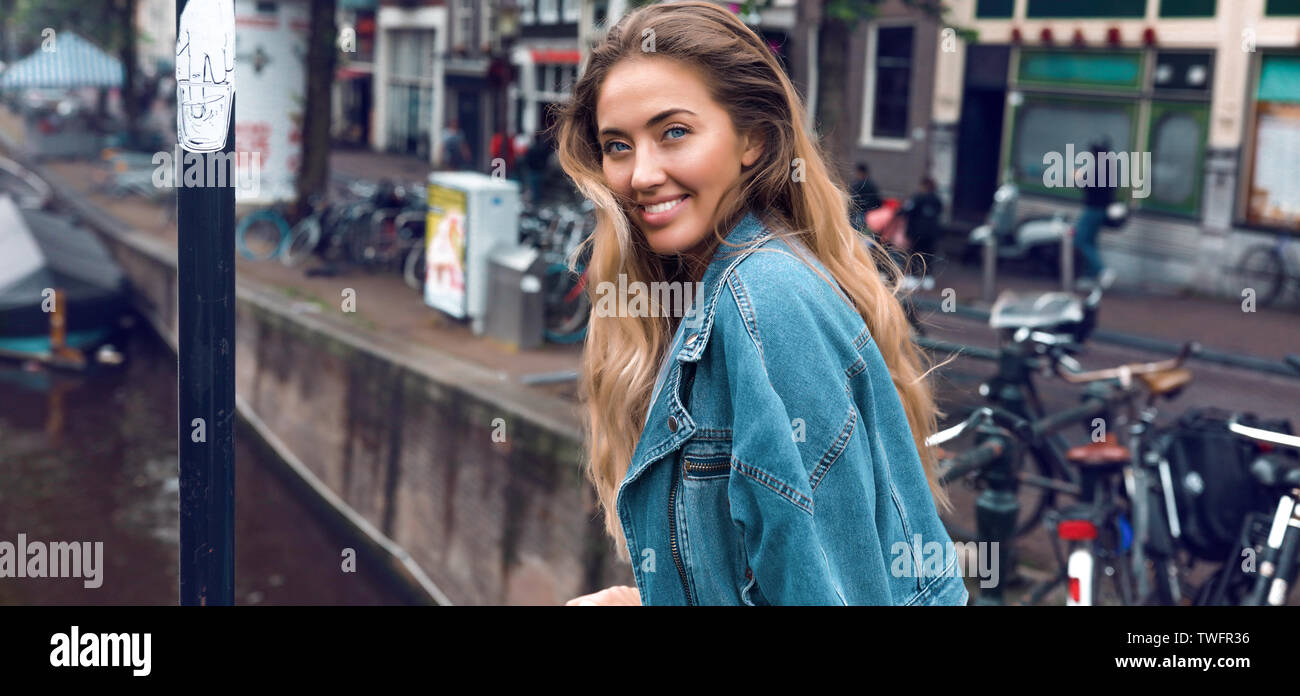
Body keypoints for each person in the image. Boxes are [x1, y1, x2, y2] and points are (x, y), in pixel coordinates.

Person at [553, 0, 967, 606]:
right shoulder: (723, 291)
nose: (640, 174)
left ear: (753, 139)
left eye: (674, 132)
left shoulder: (766, 305)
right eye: (618, 145)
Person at [1073, 140, 1117, 289]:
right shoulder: (1110, 168)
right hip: (1102, 210)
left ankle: (1101, 271)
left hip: (1092, 209)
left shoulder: (1096, 168)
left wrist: (1077, 177)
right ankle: (1090, 277)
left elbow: (1086, 186)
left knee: (1080, 240)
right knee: (1090, 242)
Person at [900, 177, 943, 262]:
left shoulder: (917, 198)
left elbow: (906, 210)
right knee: (928, 253)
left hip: (916, 230)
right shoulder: (937, 199)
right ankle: (927, 273)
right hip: (931, 232)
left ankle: (912, 272)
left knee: (914, 252)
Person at [849, 162, 882, 232]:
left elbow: (853, 199)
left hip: (861, 214)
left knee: (856, 232)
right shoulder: (872, 184)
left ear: (860, 172)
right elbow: (878, 200)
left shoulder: (859, 184)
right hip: (872, 214)